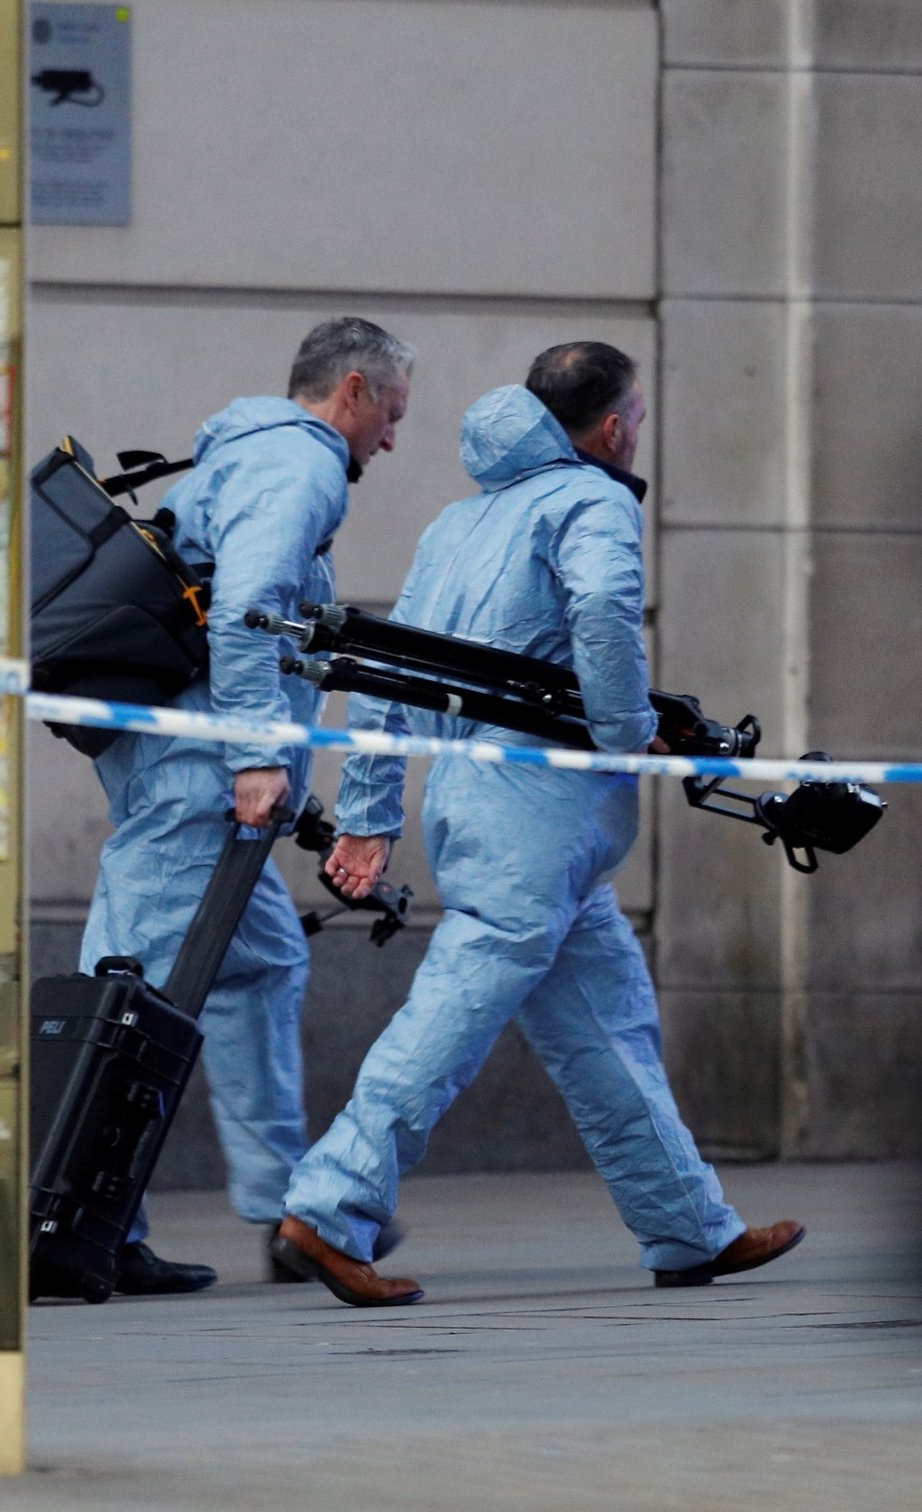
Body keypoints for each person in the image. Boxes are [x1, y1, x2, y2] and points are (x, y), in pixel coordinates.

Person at [271, 341, 805, 1306]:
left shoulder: (458, 524)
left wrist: (371, 817)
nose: (637, 430)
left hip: (484, 803)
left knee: (609, 1026)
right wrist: (626, 733)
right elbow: (602, 608)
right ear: (612, 427)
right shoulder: (594, 500)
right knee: (451, 1015)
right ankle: (330, 1203)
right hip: (542, 815)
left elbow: (394, 677)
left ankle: (689, 1226)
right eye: (636, 416)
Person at [80, 317, 414, 1295]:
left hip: (188, 767)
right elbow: (248, 610)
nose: (391, 438)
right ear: (353, 389)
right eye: (392, 413)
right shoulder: (298, 466)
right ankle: (79, 1222)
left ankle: (287, 1211)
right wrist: (259, 756)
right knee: (127, 1001)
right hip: (204, 777)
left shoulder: (247, 452)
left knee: (261, 966)